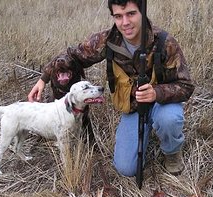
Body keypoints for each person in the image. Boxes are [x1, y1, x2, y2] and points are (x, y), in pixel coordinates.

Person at [28, 0, 195, 177]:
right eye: (118, 16)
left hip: (162, 103)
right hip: (132, 107)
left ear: (142, 13)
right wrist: (43, 79)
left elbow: (186, 86)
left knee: (169, 119)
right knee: (126, 169)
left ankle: (171, 151)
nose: (125, 23)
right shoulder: (108, 40)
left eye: (131, 14)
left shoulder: (164, 42)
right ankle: (145, 132)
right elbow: (71, 56)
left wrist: (156, 93)